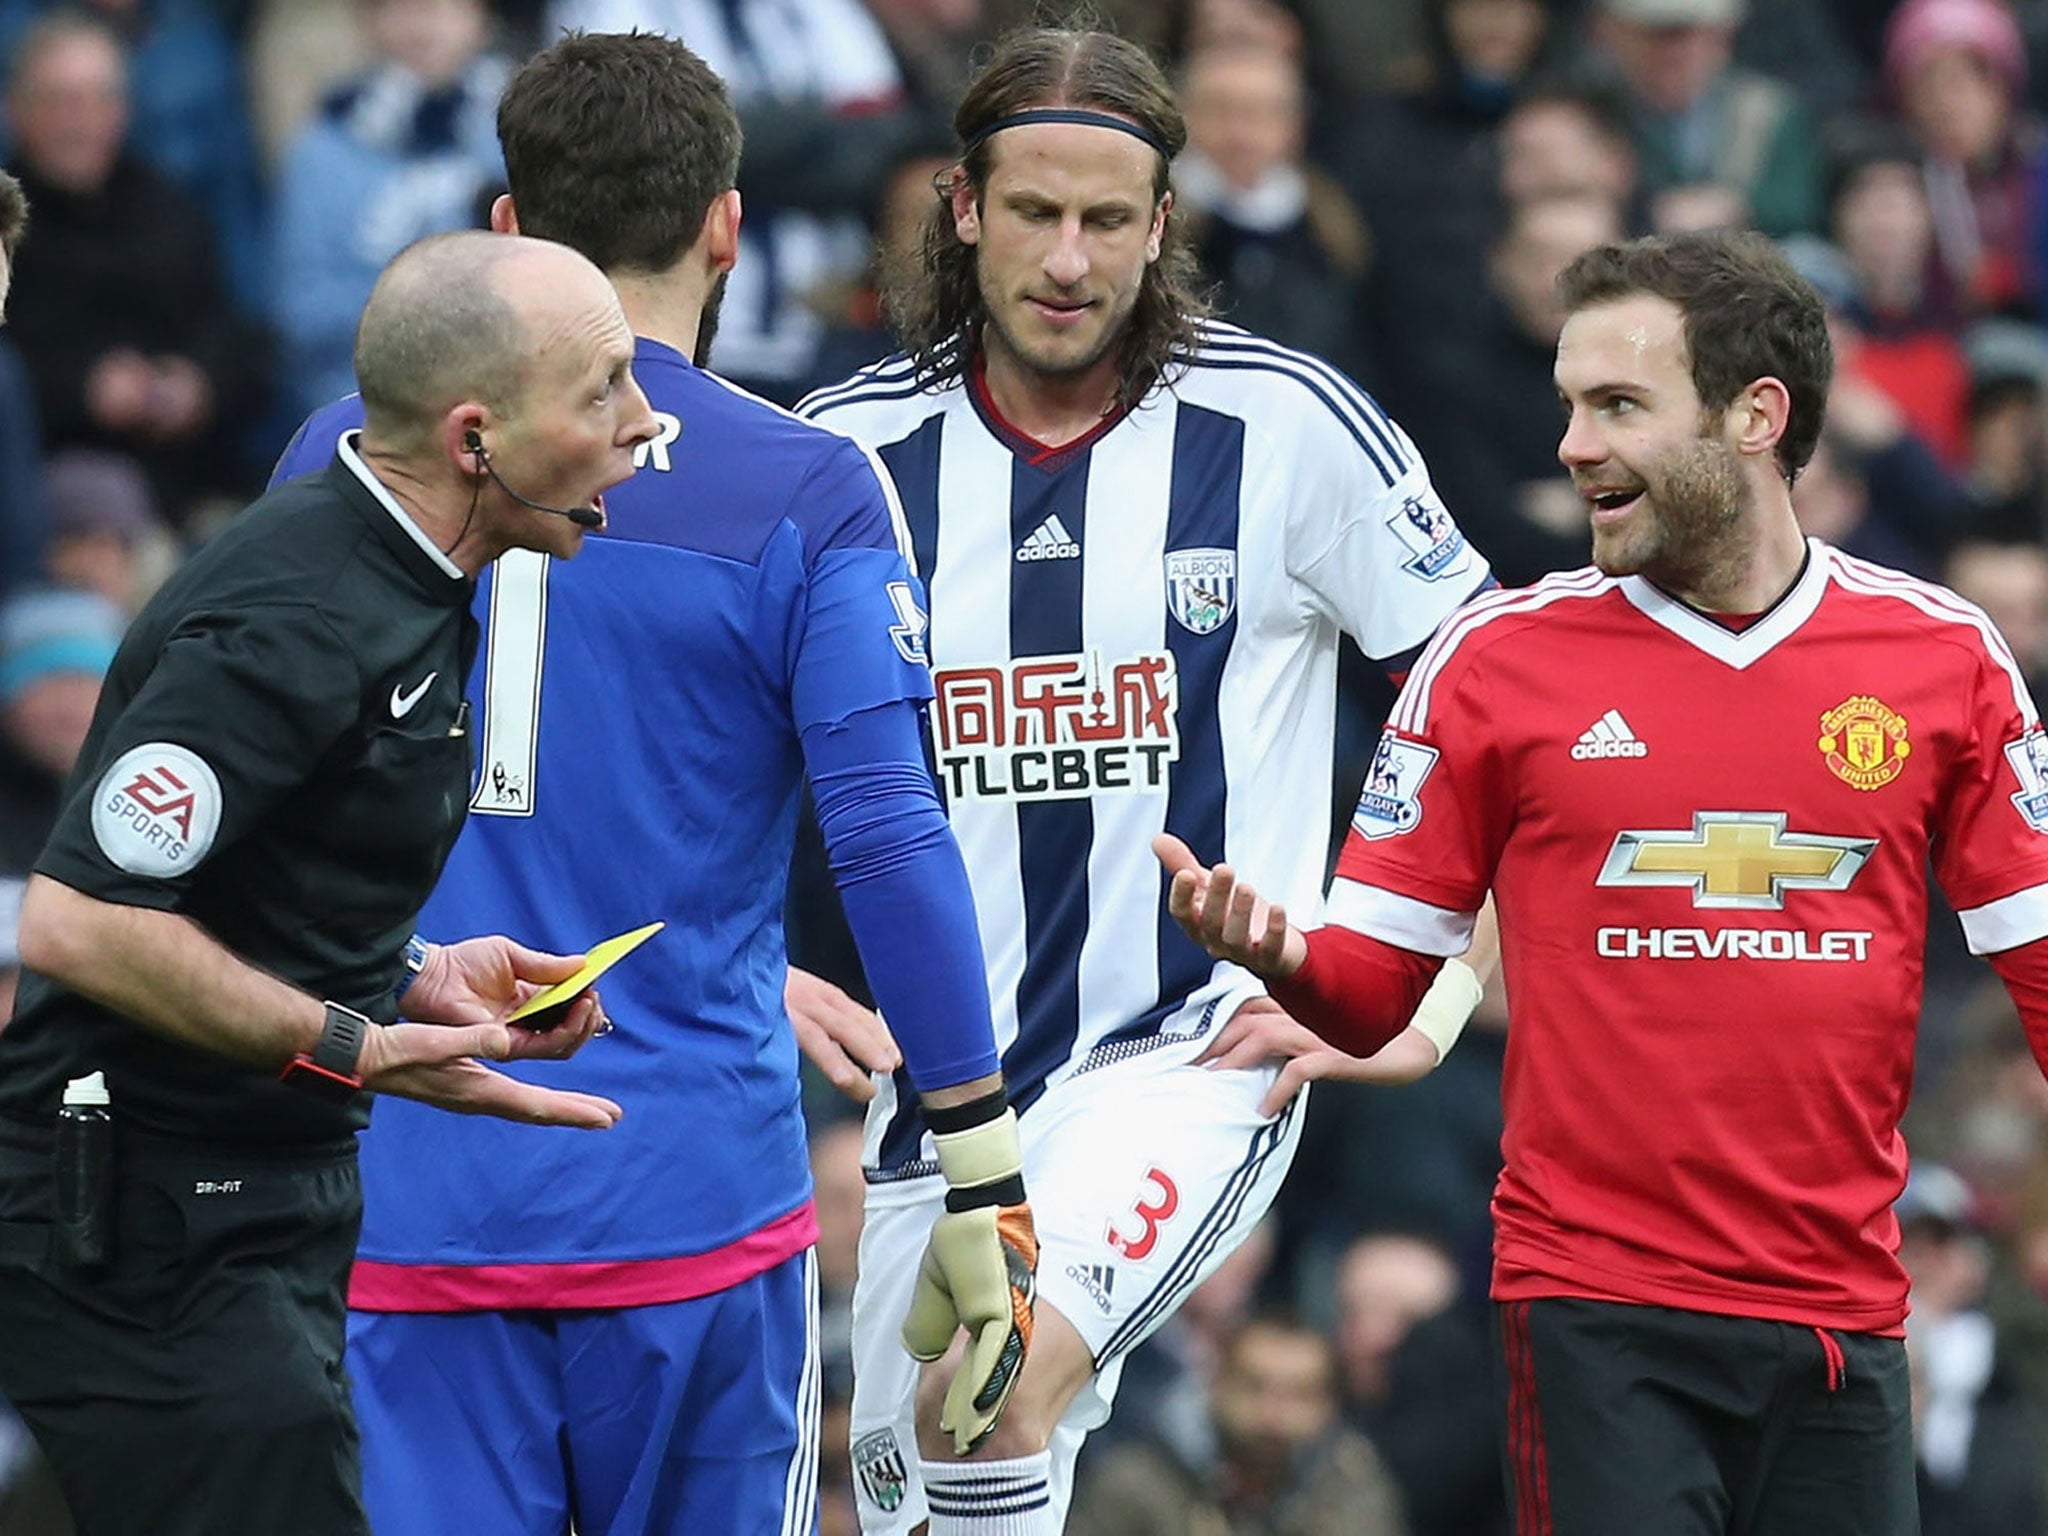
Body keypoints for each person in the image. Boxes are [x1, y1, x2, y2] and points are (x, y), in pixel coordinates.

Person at [1161, 226, 2048, 1535]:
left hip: (1845, 1317)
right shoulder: (1494, 664)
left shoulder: (1942, 658)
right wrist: (1285, 955)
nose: (1574, 444)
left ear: (1757, 416)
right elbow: (1372, 994)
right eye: (1570, 404)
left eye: (1619, 406)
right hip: (1598, 1314)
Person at [269, 33, 1035, 1536]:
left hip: (403, 1196)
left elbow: (252, 830)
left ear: (506, 231)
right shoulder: (804, 482)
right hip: (687, 1200)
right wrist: (980, 1160)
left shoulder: (338, 454)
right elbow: (883, 834)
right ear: (725, 227)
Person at [795, 25, 1493, 1534]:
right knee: (916, 1487)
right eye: (1035, 212)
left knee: (989, 1385)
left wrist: (1421, 994)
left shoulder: (1291, 427)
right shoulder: (844, 456)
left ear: (1164, 224)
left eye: (1109, 220)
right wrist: (763, 966)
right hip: (940, 1098)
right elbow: (700, 756)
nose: (1069, 257)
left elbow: (1505, 715)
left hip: (1188, 1055)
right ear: (963, 206)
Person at [0, 227, 651, 1536]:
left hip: (257, 1197)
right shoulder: (299, 610)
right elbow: (80, 921)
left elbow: (245, 879)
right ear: (476, 438)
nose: (642, 426)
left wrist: (412, 972)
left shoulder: (420, 577)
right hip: (143, 1225)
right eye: (605, 391)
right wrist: (359, 1042)